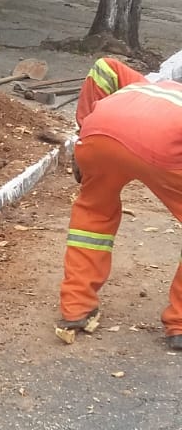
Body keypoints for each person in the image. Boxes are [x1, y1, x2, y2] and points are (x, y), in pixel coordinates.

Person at [57, 74, 182, 350]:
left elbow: (103, 68)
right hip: (164, 144)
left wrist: (81, 131)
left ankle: (75, 308)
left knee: (92, 216)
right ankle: (180, 325)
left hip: (99, 134)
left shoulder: (145, 85)